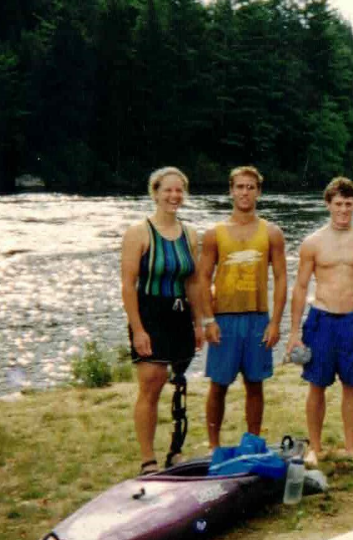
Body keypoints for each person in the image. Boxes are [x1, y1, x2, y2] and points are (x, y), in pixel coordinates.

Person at [286, 177, 353, 465]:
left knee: (351, 385)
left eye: (348, 204)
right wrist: (294, 331)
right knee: (316, 385)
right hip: (321, 319)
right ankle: (316, 447)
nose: (343, 210)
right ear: (328, 205)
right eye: (338, 204)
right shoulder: (313, 242)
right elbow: (300, 287)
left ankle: (350, 446)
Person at [120, 167, 203, 475]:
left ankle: (175, 451)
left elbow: (193, 283)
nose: (174, 196)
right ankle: (148, 460)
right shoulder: (139, 232)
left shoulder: (190, 234)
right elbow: (128, 285)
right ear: (154, 193)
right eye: (167, 190)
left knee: (178, 382)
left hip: (180, 312)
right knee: (151, 384)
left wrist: (198, 323)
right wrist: (138, 329)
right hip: (150, 313)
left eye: (179, 190)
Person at [198, 166, 287, 451]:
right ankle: (214, 445)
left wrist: (275, 323)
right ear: (231, 191)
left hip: (257, 318)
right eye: (240, 187)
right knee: (219, 385)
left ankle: (253, 441)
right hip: (223, 319)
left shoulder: (271, 232)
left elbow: (282, 277)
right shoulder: (215, 233)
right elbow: (202, 278)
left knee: (255, 384)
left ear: (259, 192)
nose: (245, 192)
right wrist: (207, 320)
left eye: (250, 187)